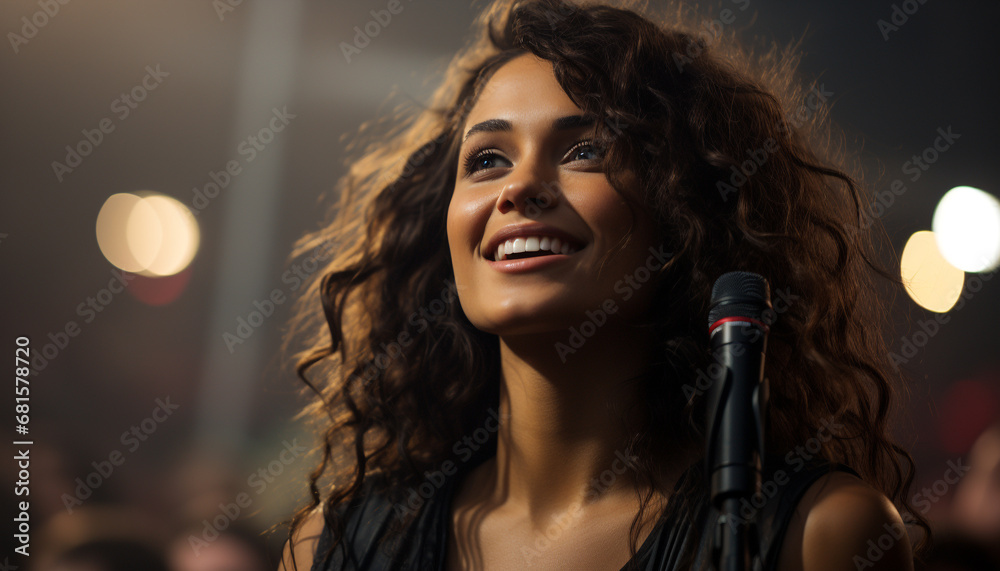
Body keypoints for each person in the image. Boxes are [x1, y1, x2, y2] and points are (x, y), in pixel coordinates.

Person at [276, 0, 931, 569]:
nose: (520, 186)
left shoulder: (821, 535)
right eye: (487, 159)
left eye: (585, 149)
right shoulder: (331, 547)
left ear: (686, 211)